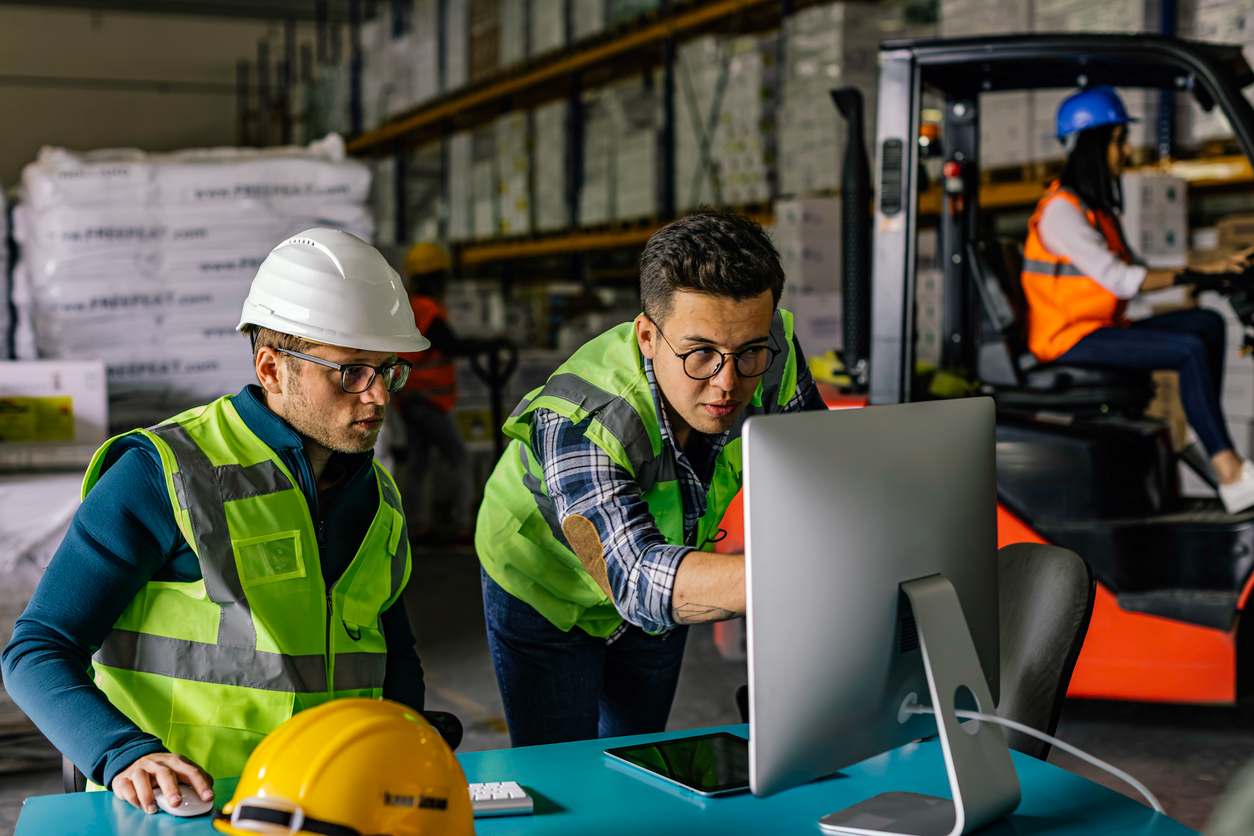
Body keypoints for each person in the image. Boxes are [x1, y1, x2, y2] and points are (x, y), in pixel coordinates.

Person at [1, 229, 430, 814]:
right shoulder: (164, 474)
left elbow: (393, 655)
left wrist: (409, 749)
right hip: (183, 812)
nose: (378, 397)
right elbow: (37, 649)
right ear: (272, 368)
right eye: (351, 373)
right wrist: (123, 753)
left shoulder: (377, 495)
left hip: (329, 806)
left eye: (389, 371)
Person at [474, 211, 827, 747]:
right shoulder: (585, 418)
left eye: (747, 352)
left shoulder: (770, 350)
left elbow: (818, 474)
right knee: (562, 771)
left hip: (668, 571)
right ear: (647, 336)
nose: (726, 383)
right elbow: (635, 577)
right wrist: (815, 578)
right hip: (544, 585)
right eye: (700, 352)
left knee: (634, 754)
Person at [1021, 85, 1254, 513]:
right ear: (1094, 144)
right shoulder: (1062, 212)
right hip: (1068, 338)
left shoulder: (1094, 210)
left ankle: (1215, 444)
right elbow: (1124, 281)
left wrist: (1215, 269)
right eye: (1119, 140)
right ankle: (1228, 467)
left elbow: (1139, 269)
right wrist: (1197, 273)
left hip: (1098, 329)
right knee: (1187, 349)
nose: (1126, 151)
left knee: (1206, 324)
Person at [396, 242, 473, 544]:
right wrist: (493, 345)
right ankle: (463, 523)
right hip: (429, 400)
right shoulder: (426, 308)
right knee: (460, 459)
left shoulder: (408, 306)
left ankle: (416, 524)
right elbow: (449, 344)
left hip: (410, 398)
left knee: (418, 463)